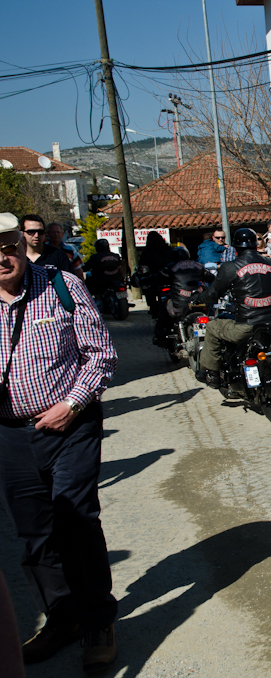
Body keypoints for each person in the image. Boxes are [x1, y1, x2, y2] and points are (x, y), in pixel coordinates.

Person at [0, 212, 119, 671]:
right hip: (10, 434)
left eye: (8, 244)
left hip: (72, 423)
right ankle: (62, 618)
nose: (3, 256)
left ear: (20, 244)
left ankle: (97, 621)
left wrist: (71, 404)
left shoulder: (60, 284)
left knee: (75, 520)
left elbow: (101, 356)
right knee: (32, 532)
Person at [191, 227, 271, 388]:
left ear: (235, 247)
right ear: (255, 244)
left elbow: (213, 293)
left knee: (213, 326)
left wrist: (197, 298)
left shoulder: (230, 267)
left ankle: (212, 373)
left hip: (246, 325)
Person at [153, 247, 213, 347]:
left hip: (180, 305)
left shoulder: (171, 267)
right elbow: (211, 277)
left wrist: (145, 280)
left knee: (164, 305)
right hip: (201, 302)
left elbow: (157, 278)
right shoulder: (198, 266)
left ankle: (162, 335)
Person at [138, 231, 174, 316]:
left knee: (147, 288)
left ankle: (153, 308)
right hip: (169, 277)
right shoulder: (169, 250)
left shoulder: (146, 252)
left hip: (155, 278)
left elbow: (143, 266)